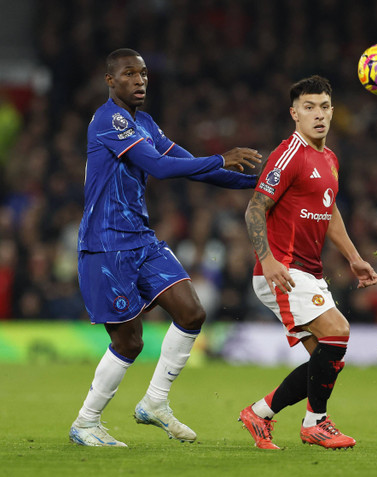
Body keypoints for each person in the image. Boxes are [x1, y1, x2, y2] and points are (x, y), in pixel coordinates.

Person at [69, 48, 262, 447]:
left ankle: (155, 402)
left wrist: (262, 183)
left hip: (140, 239)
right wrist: (219, 156)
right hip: (106, 245)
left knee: (192, 312)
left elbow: (192, 165)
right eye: (128, 74)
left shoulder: (146, 124)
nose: (139, 80)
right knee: (129, 342)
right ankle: (86, 422)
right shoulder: (108, 120)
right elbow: (160, 168)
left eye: (142, 74)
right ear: (110, 81)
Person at [239, 75, 377, 450]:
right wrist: (267, 260)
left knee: (327, 362)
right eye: (308, 107)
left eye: (324, 107)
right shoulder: (289, 154)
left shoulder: (329, 159)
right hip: (283, 269)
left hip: (308, 272)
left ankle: (259, 413)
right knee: (339, 331)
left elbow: (328, 210)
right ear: (294, 114)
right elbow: (255, 208)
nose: (318, 114)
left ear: (333, 112)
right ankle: (315, 423)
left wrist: (354, 258)